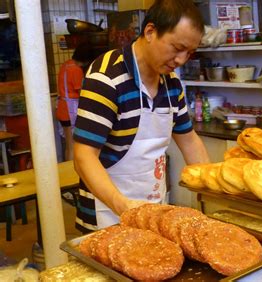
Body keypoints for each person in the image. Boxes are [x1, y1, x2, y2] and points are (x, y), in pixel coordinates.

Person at [73, 0, 210, 233]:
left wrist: (212, 185)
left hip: (153, 208)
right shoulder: (106, 78)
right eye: (177, 48)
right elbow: (83, 157)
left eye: (189, 53)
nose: (181, 60)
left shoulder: (171, 83)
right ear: (150, 32)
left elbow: (189, 140)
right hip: (107, 214)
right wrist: (123, 206)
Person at [56, 44, 94, 161]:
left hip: (62, 108)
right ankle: (71, 174)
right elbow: (81, 91)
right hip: (69, 110)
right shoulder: (76, 70)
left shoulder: (66, 64)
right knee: (72, 145)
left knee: (68, 145)